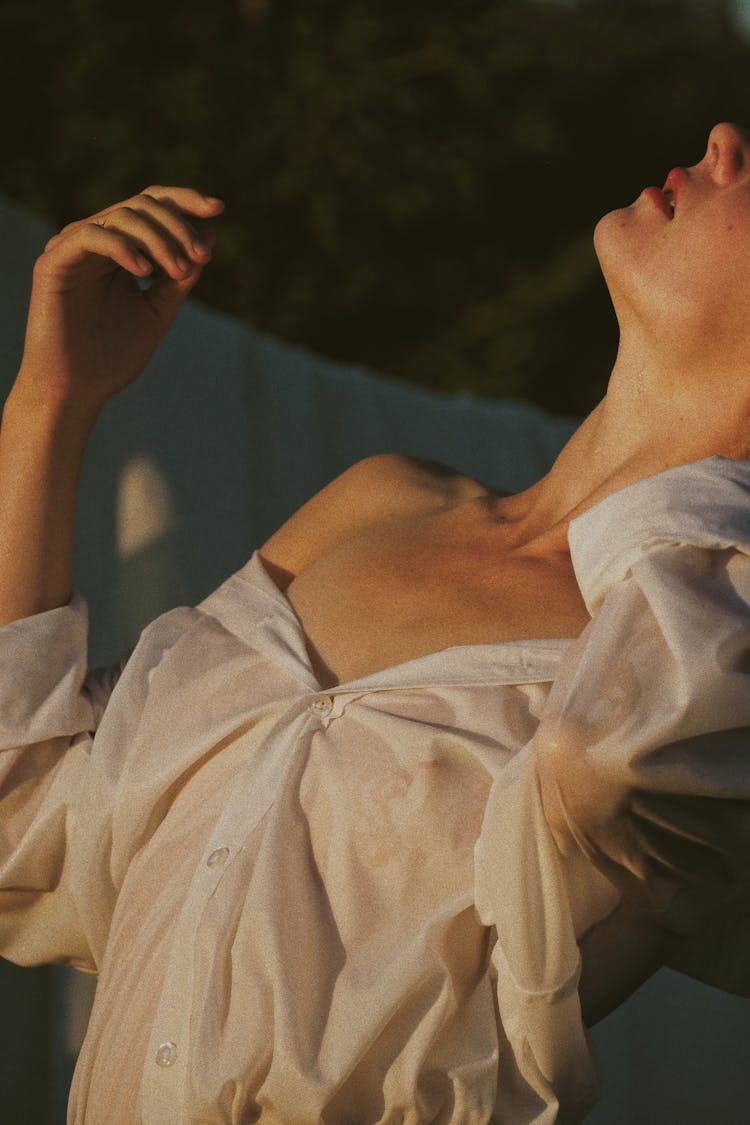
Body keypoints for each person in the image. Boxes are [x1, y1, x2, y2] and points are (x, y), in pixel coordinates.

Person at [1, 121, 750, 1124]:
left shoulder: (705, 662)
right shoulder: (377, 503)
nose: (726, 138)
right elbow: (28, 827)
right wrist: (50, 403)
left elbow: (611, 762)